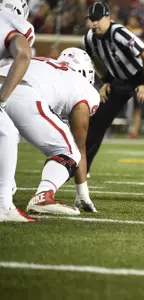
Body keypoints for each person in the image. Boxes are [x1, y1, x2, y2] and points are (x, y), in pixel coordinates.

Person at [82, 2, 144, 182]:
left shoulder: (119, 32)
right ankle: (82, 168)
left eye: (97, 19)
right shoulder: (89, 38)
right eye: (91, 20)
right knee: (97, 121)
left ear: (107, 18)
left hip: (140, 77)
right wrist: (106, 80)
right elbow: (93, 59)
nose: (94, 23)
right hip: (117, 81)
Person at [0, 48, 99, 216]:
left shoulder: (44, 62)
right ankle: (43, 196)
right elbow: (79, 145)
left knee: (6, 142)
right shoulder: (83, 87)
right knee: (69, 151)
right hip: (22, 92)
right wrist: (82, 192)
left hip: (8, 82)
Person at [0, 0, 36, 222]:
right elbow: (23, 55)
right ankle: (4, 205)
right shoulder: (18, 24)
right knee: (8, 133)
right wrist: (2, 98)